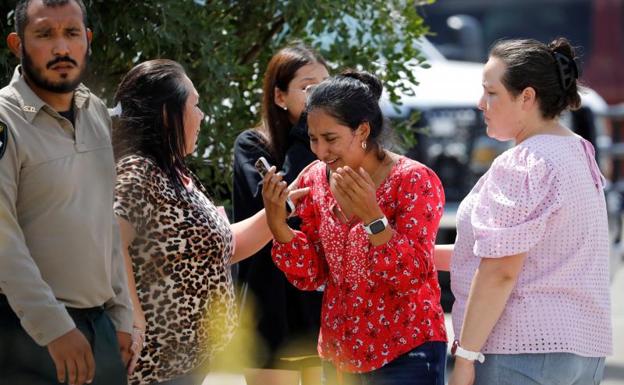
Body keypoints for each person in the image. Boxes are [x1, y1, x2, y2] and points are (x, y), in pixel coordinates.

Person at [112, 59, 306, 385]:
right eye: (195, 105)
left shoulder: (175, 172)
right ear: (166, 114)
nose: (202, 116)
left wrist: (281, 210)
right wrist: (134, 317)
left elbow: (225, 246)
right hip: (153, 366)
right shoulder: (138, 170)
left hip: (188, 363)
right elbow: (110, 244)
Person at [262, 70, 448, 385]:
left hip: (406, 350)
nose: (320, 151)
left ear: (362, 130)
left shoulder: (413, 180)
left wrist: (374, 219)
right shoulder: (314, 178)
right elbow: (312, 276)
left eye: (330, 138)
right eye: (313, 138)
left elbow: (413, 276)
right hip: (339, 355)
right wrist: (277, 223)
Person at [444, 38, 612, 385]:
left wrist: (465, 355)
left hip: (521, 350)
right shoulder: (579, 152)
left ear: (527, 97)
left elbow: (501, 269)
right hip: (585, 350)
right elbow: (538, 253)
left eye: (491, 93)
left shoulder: (523, 162)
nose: (481, 103)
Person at [0, 1, 134, 385]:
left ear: (87, 39)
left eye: (71, 33)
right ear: (17, 43)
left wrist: (121, 315)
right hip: (25, 334)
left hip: (100, 329)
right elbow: (3, 240)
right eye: (44, 34)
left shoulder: (93, 111)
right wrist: (54, 327)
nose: (62, 48)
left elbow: (102, 219)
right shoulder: (4, 119)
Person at [232, 43, 329, 367]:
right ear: (279, 96)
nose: (318, 96)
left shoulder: (334, 148)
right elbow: (282, 202)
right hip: (271, 302)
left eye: (324, 86)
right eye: (308, 88)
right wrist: (307, 132)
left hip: (319, 302)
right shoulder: (252, 145)